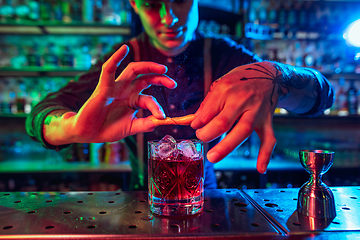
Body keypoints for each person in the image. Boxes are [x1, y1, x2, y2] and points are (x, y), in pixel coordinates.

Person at [26, 0, 334, 190]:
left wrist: (276, 75)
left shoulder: (225, 55)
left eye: (180, 0)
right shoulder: (120, 62)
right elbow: (40, 114)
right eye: (150, 4)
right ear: (133, 4)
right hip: (141, 197)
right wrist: (71, 128)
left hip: (206, 197)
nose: (169, 18)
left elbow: (323, 96)